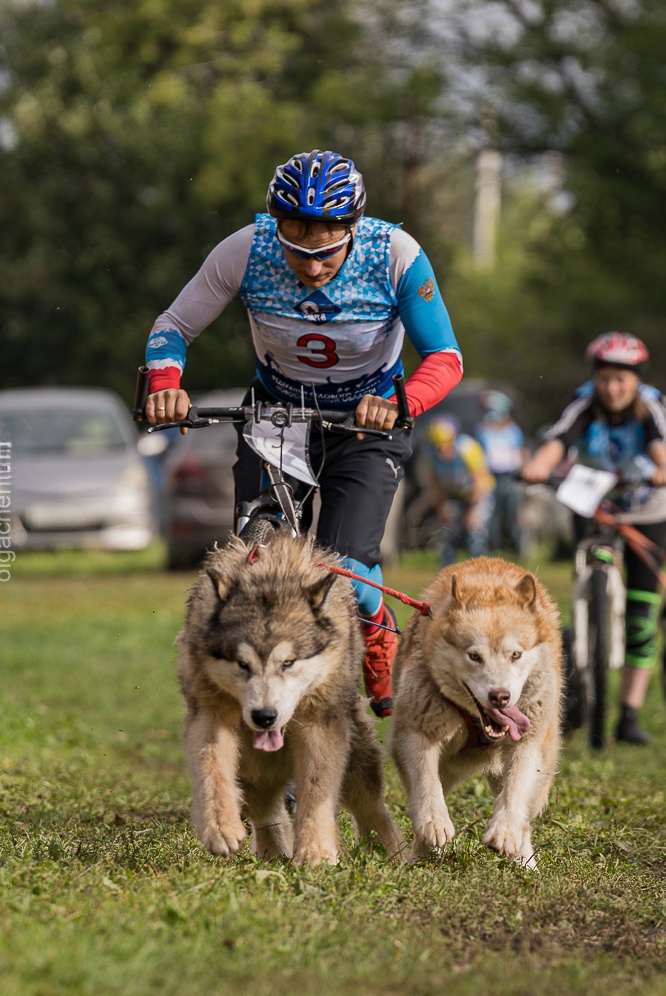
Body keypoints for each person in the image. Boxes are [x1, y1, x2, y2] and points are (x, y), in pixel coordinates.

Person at [143, 149, 463, 718]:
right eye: (296, 248)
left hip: (366, 423)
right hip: (275, 416)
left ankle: (377, 627)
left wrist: (399, 402)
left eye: (326, 250)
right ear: (276, 228)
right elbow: (173, 325)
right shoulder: (247, 248)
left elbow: (444, 357)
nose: (310, 266)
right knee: (256, 559)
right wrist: (167, 382)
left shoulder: (396, 254)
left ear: (353, 229)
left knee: (343, 564)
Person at [521, 332, 666, 744]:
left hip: (646, 510)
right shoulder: (584, 403)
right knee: (586, 585)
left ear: (636, 380)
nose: (613, 387)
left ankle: (628, 715)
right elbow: (559, 439)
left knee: (643, 616)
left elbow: (660, 446)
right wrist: (539, 463)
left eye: (622, 379)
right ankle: (587, 635)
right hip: (593, 505)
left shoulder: (651, 406)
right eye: (606, 378)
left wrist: (664, 469)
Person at [422, 414, 494, 568]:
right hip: (454, 496)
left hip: (478, 494)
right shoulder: (431, 455)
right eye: (437, 446)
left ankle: (480, 570)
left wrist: (472, 511)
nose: (441, 450)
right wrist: (441, 507)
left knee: (475, 531)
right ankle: (446, 570)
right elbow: (435, 483)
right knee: (448, 530)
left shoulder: (467, 448)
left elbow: (480, 480)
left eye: (445, 445)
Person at [475, 390, 528, 556]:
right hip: (490, 478)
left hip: (511, 478)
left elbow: (521, 453)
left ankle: (520, 551)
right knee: (491, 518)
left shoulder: (513, 430)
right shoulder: (482, 430)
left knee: (515, 517)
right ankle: (491, 551)